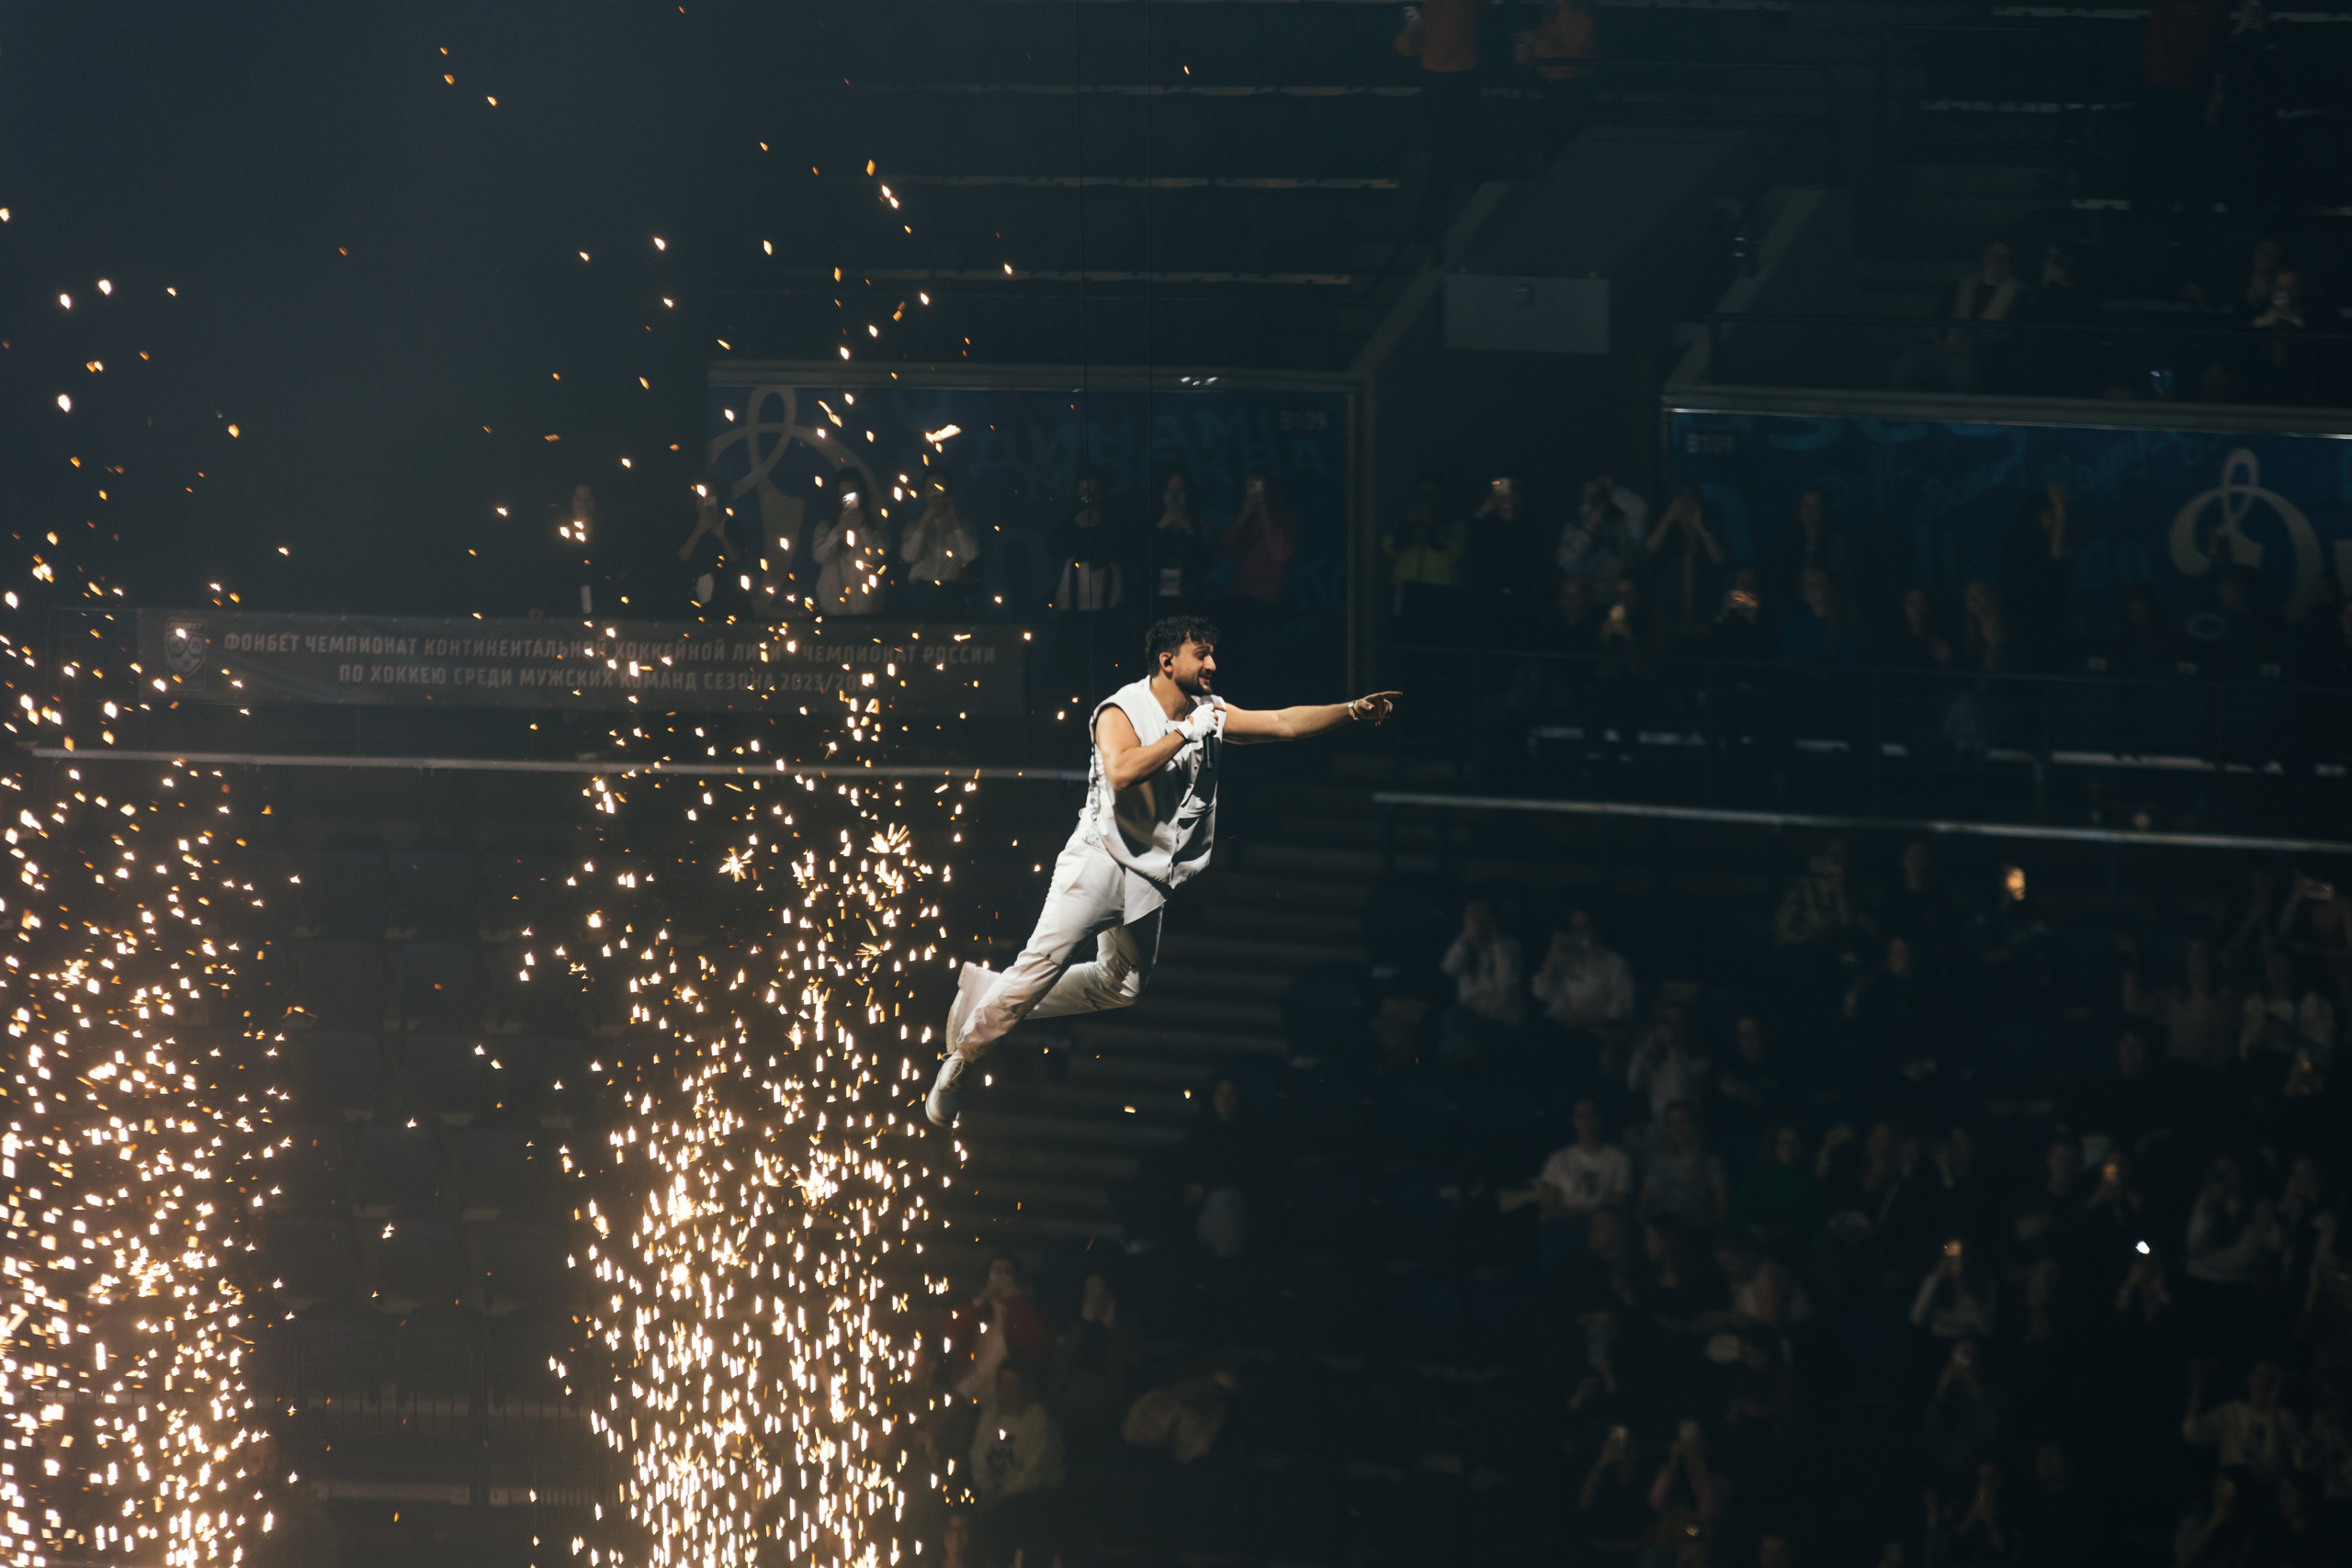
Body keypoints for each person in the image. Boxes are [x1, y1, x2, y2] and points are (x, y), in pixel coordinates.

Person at [927, 617, 1399, 1123]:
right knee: (1039, 965)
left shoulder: (1209, 712)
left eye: (1213, 653)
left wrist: (1351, 711)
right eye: (1202, 654)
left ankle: (991, 996)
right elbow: (1124, 771)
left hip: (1148, 876)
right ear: (1167, 661)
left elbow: (1282, 723)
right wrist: (1183, 734)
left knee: (1124, 985)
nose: (1213, 664)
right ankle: (960, 1061)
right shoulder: (1120, 709)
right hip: (1099, 863)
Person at [1396, 0, 1489, 243]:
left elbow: (1407, 47)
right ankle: (1438, 224)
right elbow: (1406, 46)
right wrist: (1410, 28)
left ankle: (1432, 225)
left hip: (1455, 78)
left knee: (1456, 153)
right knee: (1455, 153)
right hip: (1449, 80)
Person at [2136, 0, 2227, 219]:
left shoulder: (2213, 6)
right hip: (2158, 89)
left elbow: (2219, 53)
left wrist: (2217, 98)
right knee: (2153, 170)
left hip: (2195, 92)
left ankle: (2190, 234)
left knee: (2193, 172)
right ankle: (2151, 228)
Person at [1894, 242, 2022, 394]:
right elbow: (1936, 321)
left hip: (1980, 356)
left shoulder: (2018, 293)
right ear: (1984, 257)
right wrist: (1941, 344)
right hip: (1942, 349)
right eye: (1993, 255)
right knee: (1905, 369)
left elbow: (2011, 333)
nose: (1997, 261)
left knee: (1965, 377)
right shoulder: (1962, 285)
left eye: (2004, 257)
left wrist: (1973, 344)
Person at [2209, 0, 2289, 217]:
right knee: (2234, 170)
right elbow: (2219, 68)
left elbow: (2280, 74)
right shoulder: (2229, 35)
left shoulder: (2274, 35)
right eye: (2248, 8)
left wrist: (2262, 36)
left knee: (2261, 173)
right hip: (2235, 116)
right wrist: (2238, 32)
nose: (2252, 13)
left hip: (2263, 117)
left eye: (2257, 8)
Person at [946, 1255, 1057, 1401]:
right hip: (970, 1384)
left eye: (1008, 1272)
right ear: (987, 1279)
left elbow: (1032, 1344)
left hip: (1006, 1390)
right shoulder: (976, 1307)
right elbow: (950, 1334)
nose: (1003, 1276)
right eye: (998, 1271)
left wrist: (1013, 1303)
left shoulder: (1025, 1308)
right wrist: (978, 1303)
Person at [1996, 482, 2073, 671]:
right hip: (2027, 628)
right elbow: (2054, 564)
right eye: (2049, 514)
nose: (2054, 520)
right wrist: (2061, 508)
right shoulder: (2018, 548)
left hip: (2046, 625)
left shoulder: (2017, 546)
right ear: (2036, 515)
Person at [1383, 474, 1467, 640]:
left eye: (1432, 495)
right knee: (1407, 646)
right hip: (1406, 593)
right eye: (1421, 495)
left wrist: (1431, 524)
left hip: (1442, 595)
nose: (1426, 500)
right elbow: (1390, 549)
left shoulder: (1455, 527)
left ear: (1442, 498)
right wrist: (1408, 524)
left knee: (1442, 648)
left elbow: (1449, 551)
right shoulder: (1403, 524)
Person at [1532, 908, 1636, 1039]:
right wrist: (1552, 953)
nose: (1579, 932)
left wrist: (1589, 1021)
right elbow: (1541, 992)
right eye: (1576, 927)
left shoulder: (1615, 963)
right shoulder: (1565, 959)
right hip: (1560, 1030)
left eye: (1584, 926)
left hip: (1595, 1033)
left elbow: (1623, 1007)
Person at [1516, 0, 1599, 159]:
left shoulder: (1581, 17)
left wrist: (1541, 46)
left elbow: (1573, 58)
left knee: (1571, 145)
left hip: (1575, 91)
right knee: (1552, 144)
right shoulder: (1547, 19)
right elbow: (1524, 57)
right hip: (1552, 90)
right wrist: (1523, 38)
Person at [1644, 485, 1727, 643]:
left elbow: (1720, 560)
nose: (1685, 504)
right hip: (1667, 622)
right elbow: (1649, 552)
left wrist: (1700, 527)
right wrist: (1669, 517)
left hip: (1702, 620)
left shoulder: (1710, 536)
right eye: (1681, 499)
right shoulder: (1666, 536)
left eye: (1691, 499)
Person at [1219, 468, 1298, 632]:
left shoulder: (1284, 520)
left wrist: (1265, 515)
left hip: (1265, 600)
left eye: (1258, 487)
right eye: (1250, 486)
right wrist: (1243, 517)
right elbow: (1226, 549)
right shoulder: (1247, 522)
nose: (1254, 492)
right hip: (1238, 593)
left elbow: (1281, 554)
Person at [1638, 1100, 1728, 1231]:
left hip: (1694, 1233)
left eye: (1683, 1121)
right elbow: (1641, 1206)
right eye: (1672, 1124)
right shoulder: (1660, 1162)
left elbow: (1723, 1214)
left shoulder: (1712, 1164)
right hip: (1660, 1232)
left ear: (1695, 1123)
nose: (1678, 1129)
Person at [899, 475, 979, 619]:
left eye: (939, 489)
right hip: (920, 593)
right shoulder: (913, 526)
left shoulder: (962, 526)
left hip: (950, 594)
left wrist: (954, 519)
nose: (935, 494)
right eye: (931, 489)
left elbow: (970, 555)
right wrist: (924, 522)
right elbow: (909, 556)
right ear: (924, 494)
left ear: (947, 493)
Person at [1443, 897, 1527, 1028]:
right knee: (1453, 1018)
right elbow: (1449, 969)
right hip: (1472, 1014)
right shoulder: (1464, 947)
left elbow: (1508, 981)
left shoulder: (1511, 946)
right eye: (1468, 916)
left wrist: (1496, 941)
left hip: (1503, 1016)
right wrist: (1463, 938)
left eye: (1476, 916)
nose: (1472, 921)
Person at [1147, 468, 1214, 615]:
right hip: (1157, 600)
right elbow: (1140, 556)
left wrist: (1189, 529)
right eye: (1170, 491)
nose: (1175, 496)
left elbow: (1207, 562)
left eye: (1180, 491)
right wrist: (1161, 526)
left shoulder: (1200, 524)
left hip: (1190, 598)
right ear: (1162, 493)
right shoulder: (1149, 522)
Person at [813, 489, 888, 616]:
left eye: (852, 494)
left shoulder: (876, 526)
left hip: (868, 608)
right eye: (843, 495)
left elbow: (878, 554)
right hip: (833, 609)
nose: (848, 499)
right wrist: (838, 530)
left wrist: (861, 527)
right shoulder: (825, 528)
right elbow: (820, 556)